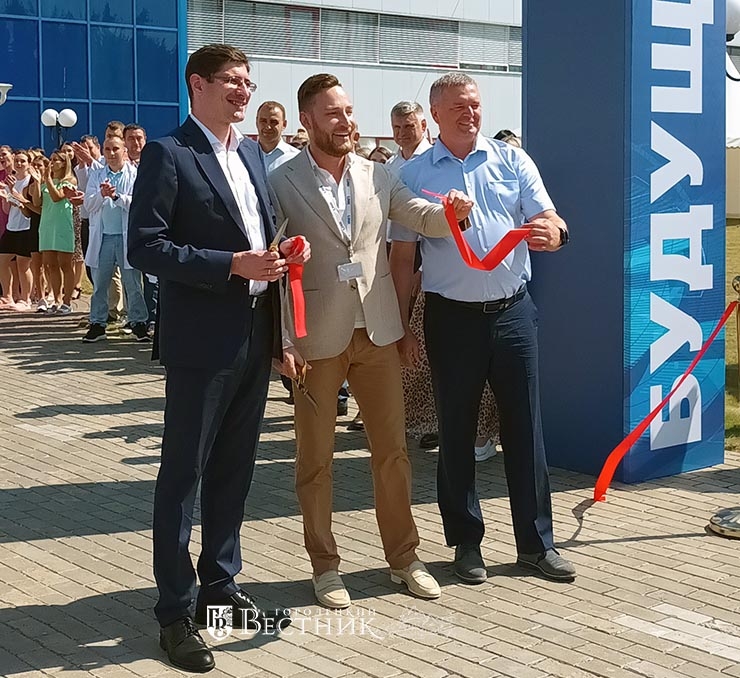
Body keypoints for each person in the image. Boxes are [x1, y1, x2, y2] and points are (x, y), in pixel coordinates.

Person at [127, 44, 307, 673]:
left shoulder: (251, 154)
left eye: (249, 82)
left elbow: (260, 237)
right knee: (184, 475)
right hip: (201, 343)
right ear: (197, 84)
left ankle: (220, 589)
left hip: (255, 334)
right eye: (232, 80)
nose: (243, 91)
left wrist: (285, 254)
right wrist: (231, 265)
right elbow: (145, 247)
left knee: (234, 470)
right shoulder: (169, 153)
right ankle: (175, 612)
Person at [269, 73, 472, 610]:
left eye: (350, 111)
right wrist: (283, 339)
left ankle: (404, 558)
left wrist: (452, 212)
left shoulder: (377, 173)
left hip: (377, 331)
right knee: (316, 459)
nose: (346, 121)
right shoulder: (280, 180)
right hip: (316, 339)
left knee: (393, 453)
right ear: (307, 120)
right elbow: (271, 265)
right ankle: (324, 566)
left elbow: (418, 214)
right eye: (333, 113)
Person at [392, 72, 576, 585]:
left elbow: (552, 218)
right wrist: (404, 327)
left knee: (526, 430)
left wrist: (557, 234)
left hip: (514, 313)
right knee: (455, 433)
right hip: (451, 318)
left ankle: (536, 544)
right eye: (458, 106)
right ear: (435, 114)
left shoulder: (512, 159)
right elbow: (402, 259)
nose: (469, 113)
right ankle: (466, 544)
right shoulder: (413, 175)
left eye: (474, 104)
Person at [82, 135, 148, 342]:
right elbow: (88, 205)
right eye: (107, 149)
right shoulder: (97, 175)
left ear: (124, 151)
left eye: (115, 149)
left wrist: (116, 197)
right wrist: (101, 195)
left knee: (133, 284)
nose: (111, 153)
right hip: (104, 238)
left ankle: (138, 323)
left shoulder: (134, 174)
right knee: (100, 284)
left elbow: (139, 203)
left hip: (126, 237)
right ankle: (98, 324)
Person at [38, 150, 77, 314]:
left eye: (56, 160)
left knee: (65, 264)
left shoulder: (69, 181)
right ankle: (56, 298)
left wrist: (47, 179)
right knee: (51, 264)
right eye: (51, 159)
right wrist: (37, 181)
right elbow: (38, 203)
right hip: (47, 225)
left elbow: (57, 197)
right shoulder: (46, 181)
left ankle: (67, 301)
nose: (52, 163)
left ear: (64, 163)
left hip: (62, 226)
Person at [256, 101, 299, 174]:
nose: (268, 127)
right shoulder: (244, 156)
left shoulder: (296, 158)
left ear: (284, 124)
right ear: (256, 122)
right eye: (263, 121)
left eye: (273, 122)